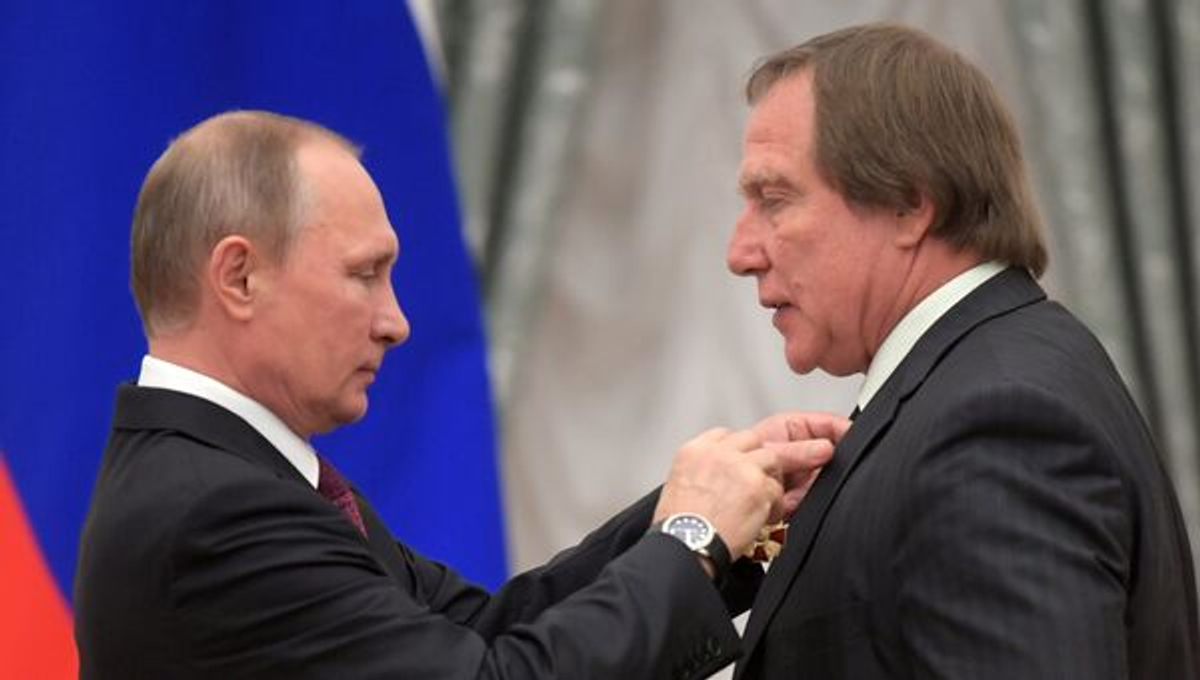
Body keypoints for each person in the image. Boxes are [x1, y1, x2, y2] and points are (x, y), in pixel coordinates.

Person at [73, 110, 849, 679]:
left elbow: (485, 629)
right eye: (363, 274)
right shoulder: (214, 511)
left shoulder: (230, 476)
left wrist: (728, 514)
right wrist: (691, 537)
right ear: (239, 277)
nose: (396, 322)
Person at [725, 22, 1200, 679]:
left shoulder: (999, 424)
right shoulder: (969, 392)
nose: (740, 253)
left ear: (909, 204)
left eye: (774, 200)